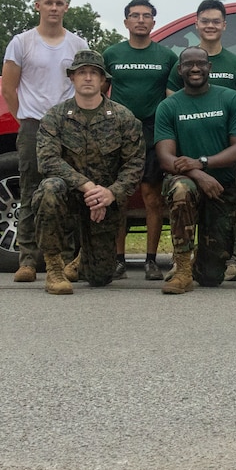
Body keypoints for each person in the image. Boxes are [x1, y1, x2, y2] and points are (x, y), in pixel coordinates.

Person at [33, 50, 144, 295]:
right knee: (49, 188)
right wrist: (87, 186)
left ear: (103, 80)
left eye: (94, 73)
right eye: (81, 72)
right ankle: (54, 269)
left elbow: (134, 164)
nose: (88, 78)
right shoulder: (55, 117)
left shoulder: (123, 118)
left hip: (104, 202)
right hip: (69, 197)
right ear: (72, 77)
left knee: (100, 277)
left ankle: (83, 260)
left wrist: (111, 193)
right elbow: (48, 160)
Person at [0, 0, 88, 283]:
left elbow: (86, 84)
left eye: (59, 3)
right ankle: (27, 259)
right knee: (30, 191)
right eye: (48, 2)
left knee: (70, 192)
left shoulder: (78, 45)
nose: (54, 8)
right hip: (33, 125)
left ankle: (67, 259)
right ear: (37, 5)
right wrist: (24, 120)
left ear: (66, 7)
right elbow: (8, 88)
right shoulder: (22, 42)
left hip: (68, 126)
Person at [167, 0, 236, 283]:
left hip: (225, 151)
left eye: (215, 21)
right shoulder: (180, 68)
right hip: (188, 157)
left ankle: (230, 260)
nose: (210, 25)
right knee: (183, 191)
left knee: (228, 205)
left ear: (224, 25)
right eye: (205, 21)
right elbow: (173, 102)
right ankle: (180, 261)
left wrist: (226, 120)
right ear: (196, 25)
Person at [155, 46, 236, 294]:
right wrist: (197, 174)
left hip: (222, 189)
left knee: (210, 276)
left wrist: (202, 163)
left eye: (200, 64)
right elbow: (166, 158)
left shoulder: (230, 98)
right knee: (181, 188)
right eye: (188, 64)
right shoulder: (169, 105)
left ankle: (201, 261)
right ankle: (183, 269)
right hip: (186, 182)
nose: (195, 68)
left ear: (210, 68)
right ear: (180, 70)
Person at [102, 0, 178, 281]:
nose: (141, 20)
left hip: (153, 133)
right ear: (126, 22)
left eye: (147, 16)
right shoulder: (112, 54)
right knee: (118, 198)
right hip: (119, 133)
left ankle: (150, 261)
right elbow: (100, 92)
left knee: (151, 198)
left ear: (154, 23)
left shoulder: (167, 57)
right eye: (135, 16)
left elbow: (174, 96)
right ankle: (118, 260)